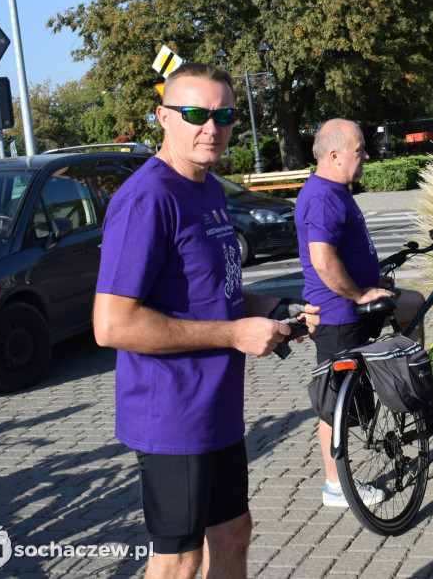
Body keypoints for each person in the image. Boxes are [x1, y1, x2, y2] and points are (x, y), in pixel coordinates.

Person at [93, 62, 318, 579]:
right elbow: (113, 325)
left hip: (216, 406)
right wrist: (234, 333)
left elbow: (209, 293)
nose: (210, 127)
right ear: (162, 117)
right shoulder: (147, 198)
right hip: (171, 412)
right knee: (178, 560)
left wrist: (267, 307)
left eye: (224, 115)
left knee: (234, 533)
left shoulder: (211, 189)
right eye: (194, 113)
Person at [295, 118, 426, 508]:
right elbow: (322, 260)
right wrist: (358, 293)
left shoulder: (337, 190)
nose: (367, 155)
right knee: (335, 405)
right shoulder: (321, 196)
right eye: (360, 149)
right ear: (334, 156)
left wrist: (374, 280)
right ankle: (335, 485)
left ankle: (415, 386)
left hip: (357, 302)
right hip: (339, 313)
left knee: (413, 304)